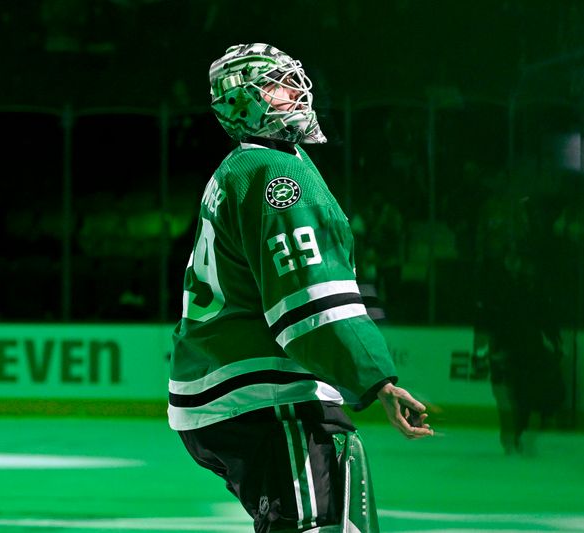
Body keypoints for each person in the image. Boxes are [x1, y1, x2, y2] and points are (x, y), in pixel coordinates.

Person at [168, 43, 433, 533]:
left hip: (229, 395)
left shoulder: (240, 168)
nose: (293, 91)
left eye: (292, 80)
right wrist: (376, 379)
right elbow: (308, 300)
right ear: (242, 103)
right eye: (274, 84)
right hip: (268, 395)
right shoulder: (275, 173)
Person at [473, 193, 565, 456]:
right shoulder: (499, 288)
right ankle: (512, 437)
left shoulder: (526, 288)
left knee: (522, 397)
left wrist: (554, 339)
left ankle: (515, 436)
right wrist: (483, 351)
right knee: (510, 399)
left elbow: (542, 315)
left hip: (523, 348)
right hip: (509, 349)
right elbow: (487, 321)